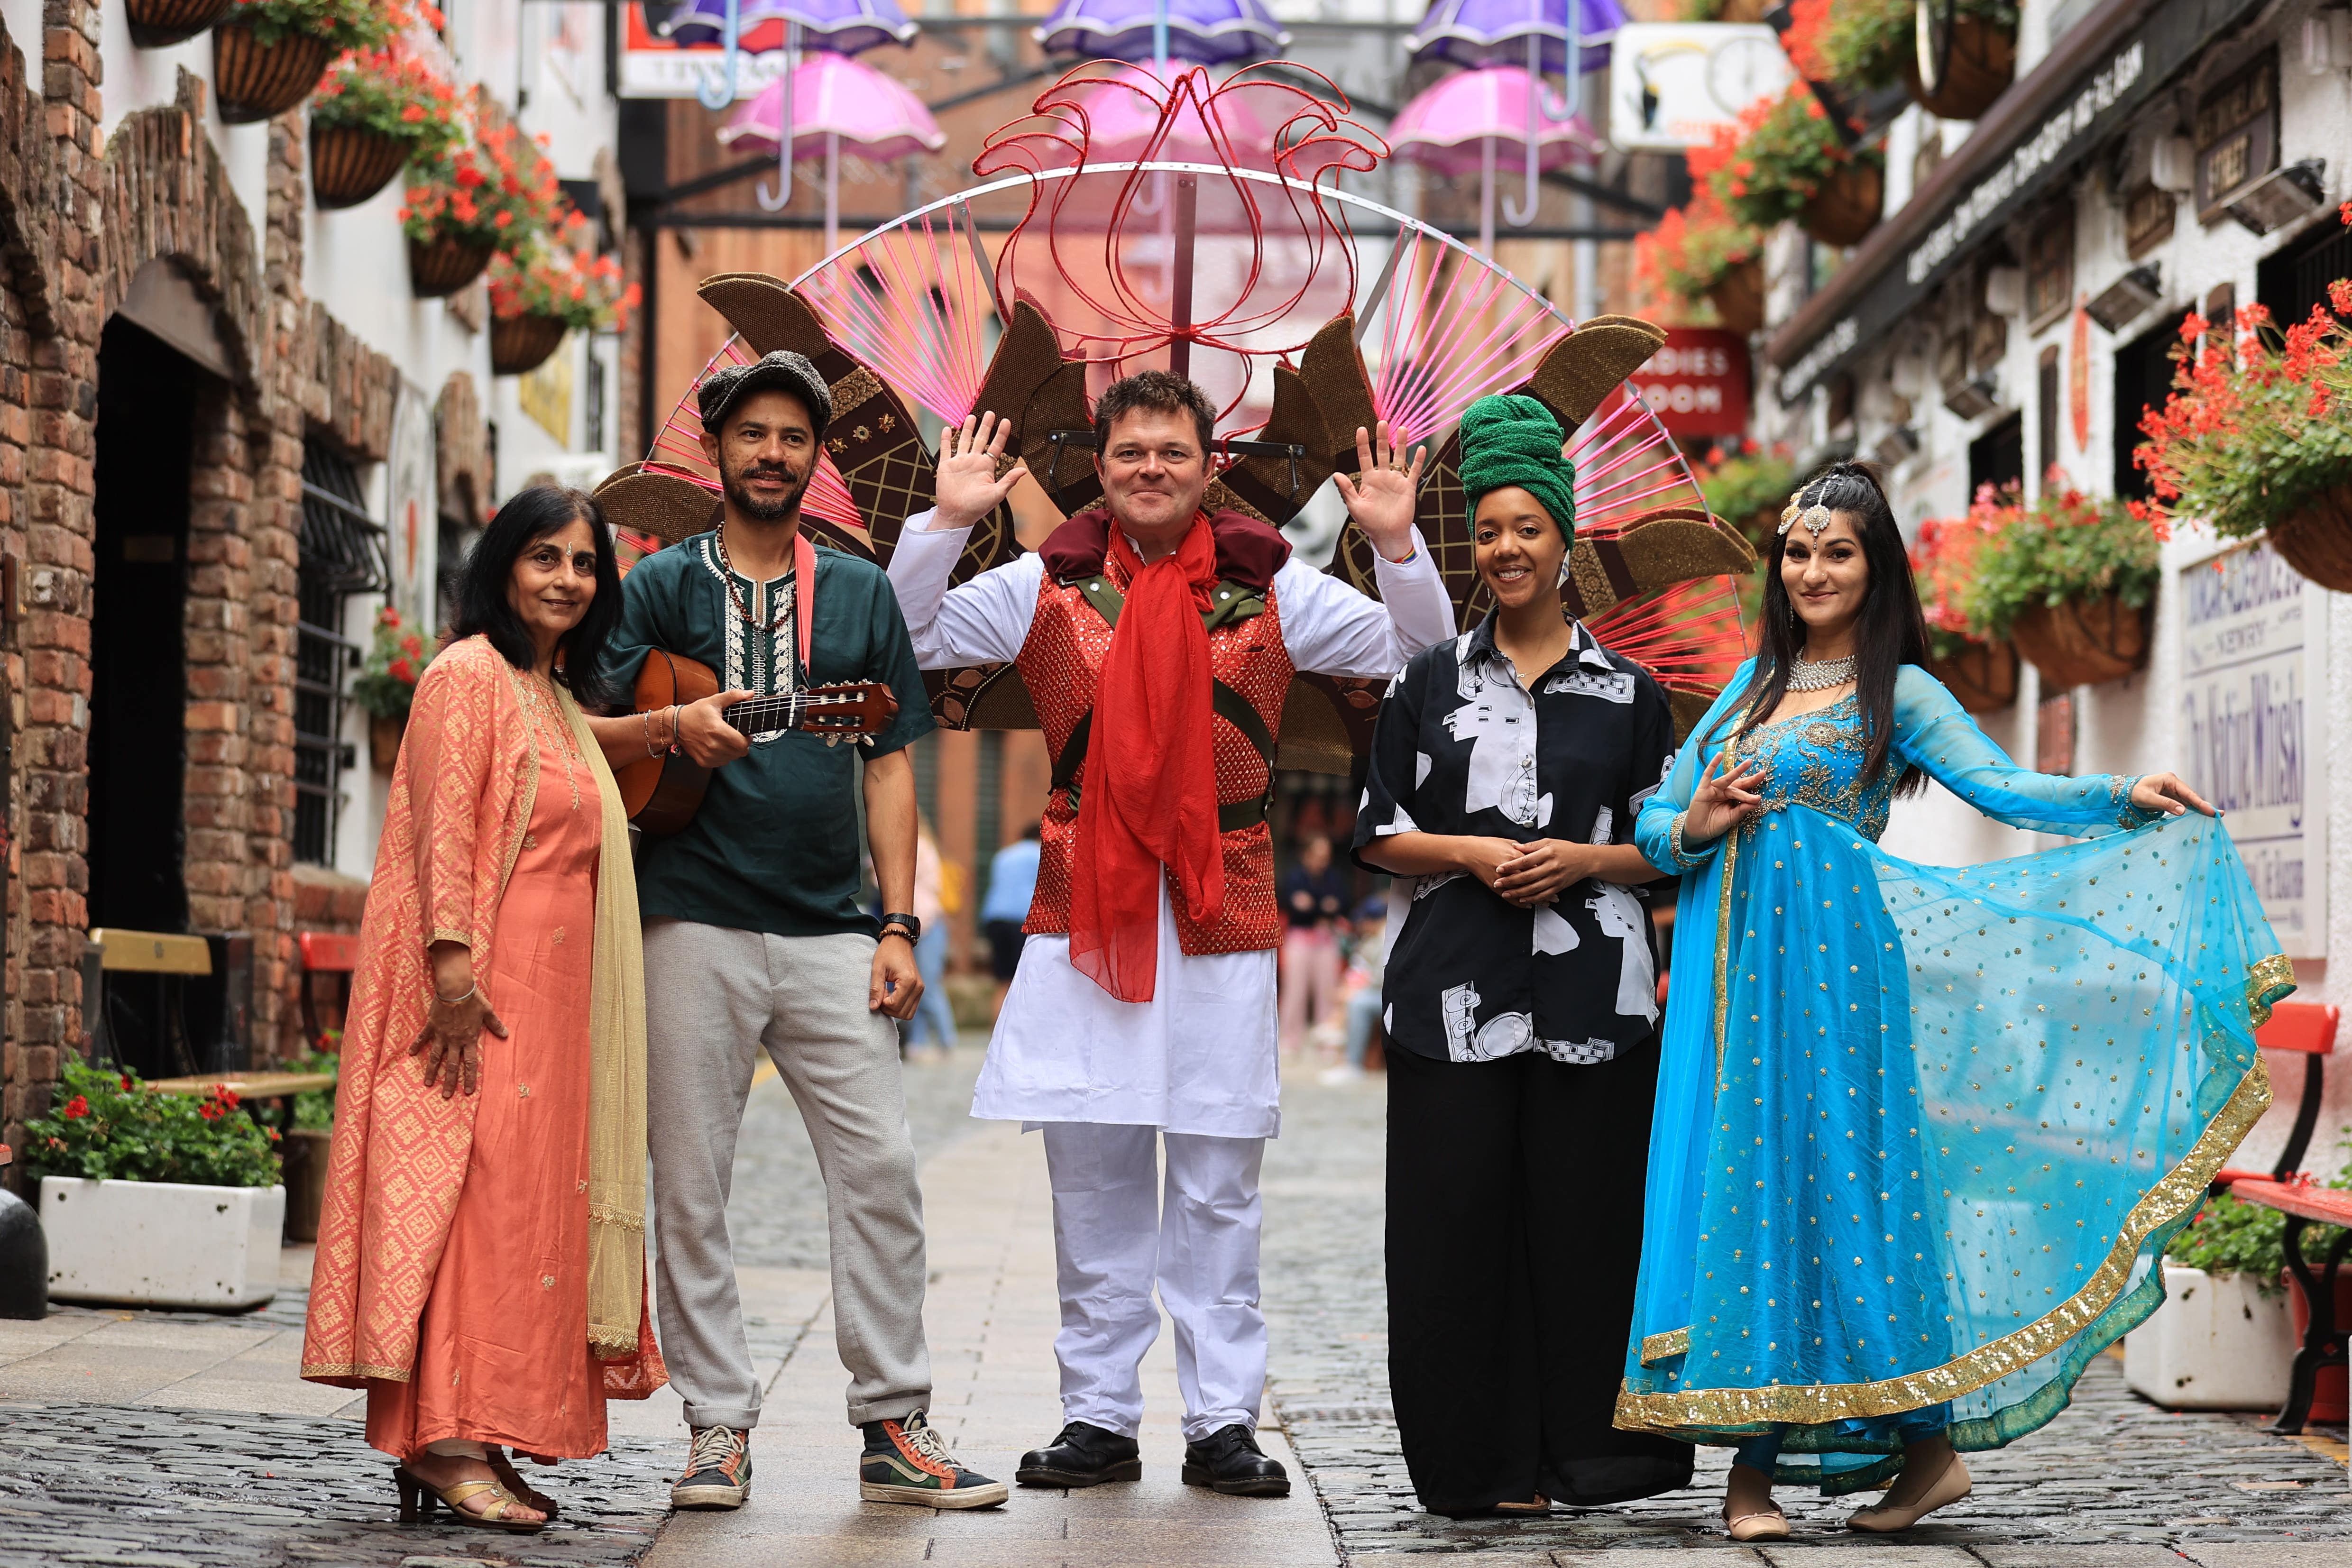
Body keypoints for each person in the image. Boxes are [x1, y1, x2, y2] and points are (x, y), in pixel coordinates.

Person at [1618, 463, 2288, 1539]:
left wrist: (2119, 795)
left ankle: (1923, 1453)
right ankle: (1752, 1472)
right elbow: (1653, 823)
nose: (1813, 569)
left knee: (1842, 1195)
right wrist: (1693, 820)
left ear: (1875, 568)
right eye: (1797, 550)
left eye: (1837, 550)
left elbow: (2004, 788)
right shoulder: (1746, 691)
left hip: (1836, 983)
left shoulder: (1903, 692)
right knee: (1745, 1195)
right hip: (1731, 983)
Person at [888, 372, 1455, 1496]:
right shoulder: (1040, 587)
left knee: (1215, 1183)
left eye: (1172, 451)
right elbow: (902, 635)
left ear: (1208, 467)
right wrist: (945, 521)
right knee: (1091, 1178)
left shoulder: (1274, 588)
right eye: (1131, 450)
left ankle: (1221, 1420)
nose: (1151, 467)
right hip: (1080, 912)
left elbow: (1419, 659)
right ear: (1101, 466)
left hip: (1221, 906)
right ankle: (1096, 1415)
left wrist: (1394, 546)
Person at [598, 351, 1005, 1511]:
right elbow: (595, 732)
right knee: (691, 1183)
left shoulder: (864, 595)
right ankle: (716, 1427)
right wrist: (674, 723)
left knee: (879, 1167)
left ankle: (892, 1418)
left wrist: (899, 923)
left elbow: (888, 766)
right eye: (753, 434)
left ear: (814, 458)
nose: (772, 453)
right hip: (689, 918)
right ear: (715, 450)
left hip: (835, 930)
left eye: (793, 437)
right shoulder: (659, 586)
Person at [1352, 394, 1696, 1517]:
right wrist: (1475, 851)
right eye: (1488, 532)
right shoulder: (1423, 684)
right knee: (1454, 1230)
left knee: (1585, 1225)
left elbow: (1666, 846)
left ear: (1562, 542)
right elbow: (1374, 829)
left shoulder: (1631, 696)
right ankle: (1478, 1465)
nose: (1506, 549)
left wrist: (1582, 863)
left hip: (1597, 999)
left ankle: (1586, 1459)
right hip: (1450, 995)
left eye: (1526, 530)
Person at [301, 486, 664, 1532]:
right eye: (543, 556)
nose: (564, 578)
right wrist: (453, 976)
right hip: (485, 1000)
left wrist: (667, 729)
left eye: (584, 564)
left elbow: (569, 770)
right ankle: (444, 1439)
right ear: (502, 565)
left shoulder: (544, 693)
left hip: (554, 1007)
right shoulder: (466, 671)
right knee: (475, 1207)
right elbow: (444, 827)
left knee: (524, 1216)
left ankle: (481, 1433)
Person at [1276, 834, 1349, 1058]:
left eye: (1325, 856)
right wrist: (1323, 907)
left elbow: (1341, 904)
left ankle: (1326, 1041)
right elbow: (1295, 905)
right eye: (1318, 855)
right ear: (1306, 855)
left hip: (1326, 937)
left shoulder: (1334, 877)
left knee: (1327, 990)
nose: (1322, 860)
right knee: (1295, 989)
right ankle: (1290, 1040)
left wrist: (1314, 905)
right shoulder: (1295, 876)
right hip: (1299, 937)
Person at [902, 817, 963, 1059]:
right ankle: (917, 1042)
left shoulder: (918, 847)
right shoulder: (924, 846)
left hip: (926, 924)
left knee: (927, 984)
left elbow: (882, 879)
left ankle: (947, 1039)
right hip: (919, 924)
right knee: (915, 984)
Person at [1320, 895, 1389, 1086]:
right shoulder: (1373, 937)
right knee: (1350, 997)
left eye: (1365, 921)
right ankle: (1338, 1048)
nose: (1362, 925)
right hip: (1378, 991)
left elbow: (1384, 979)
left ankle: (1352, 1065)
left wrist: (1358, 987)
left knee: (1358, 1003)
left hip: (1392, 995)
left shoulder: (1386, 935)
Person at [980, 824, 1042, 1017]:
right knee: (1024, 980)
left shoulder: (1004, 855)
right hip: (1022, 920)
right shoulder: (1039, 854)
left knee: (1002, 981)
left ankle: (995, 1033)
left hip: (995, 919)